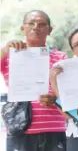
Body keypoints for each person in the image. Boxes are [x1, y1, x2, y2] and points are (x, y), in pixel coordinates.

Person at [1, 10, 67, 151]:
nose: (36, 27)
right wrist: (5, 50)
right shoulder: (9, 55)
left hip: (53, 129)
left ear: (49, 30)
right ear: (22, 28)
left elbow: (70, 91)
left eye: (42, 24)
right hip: (19, 129)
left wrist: (55, 98)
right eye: (31, 23)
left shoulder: (61, 57)